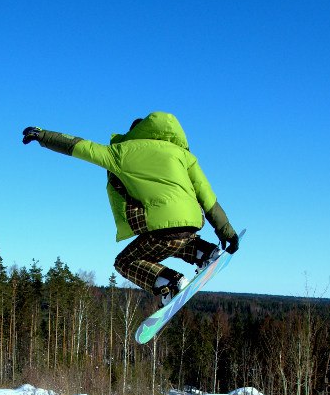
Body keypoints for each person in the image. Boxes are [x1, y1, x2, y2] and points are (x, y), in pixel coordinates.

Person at [22, 111, 239, 306]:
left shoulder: (121, 152)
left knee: (125, 262)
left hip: (161, 228)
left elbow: (81, 147)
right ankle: (205, 252)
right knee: (177, 240)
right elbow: (206, 195)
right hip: (190, 225)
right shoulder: (182, 155)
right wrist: (226, 231)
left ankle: (171, 282)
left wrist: (43, 135)